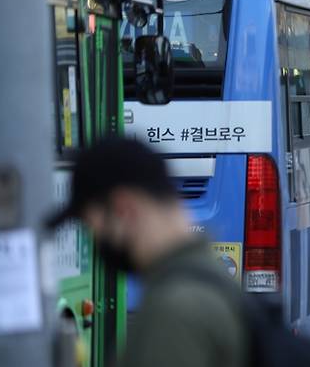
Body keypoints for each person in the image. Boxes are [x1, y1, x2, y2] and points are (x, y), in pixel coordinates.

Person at [47, 138, 249, 367]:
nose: (95, 241)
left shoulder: (174, 312)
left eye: (93, 227)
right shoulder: (214, 281)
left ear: (123, 209)